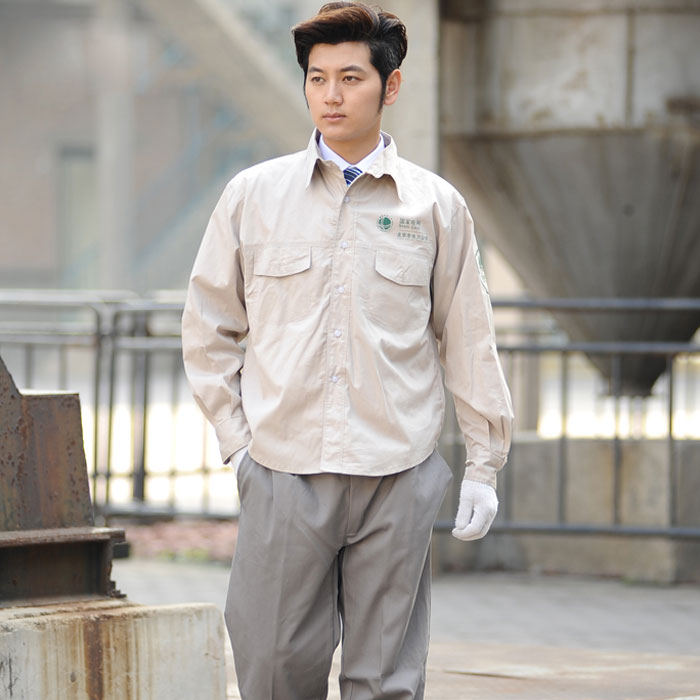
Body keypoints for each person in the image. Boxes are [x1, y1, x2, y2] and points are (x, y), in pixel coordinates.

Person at [182, 2, 513, 698]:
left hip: (397, 470)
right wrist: (239, 447)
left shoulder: (436, 206)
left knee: (386, 681)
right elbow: (208, 328)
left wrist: (483, 464)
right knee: (273, 670)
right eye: (317, 78)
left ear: (390, 87)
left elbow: (468, 340)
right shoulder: (253, 196)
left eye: (351, 78)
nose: (330, 95)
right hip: (283, 469)